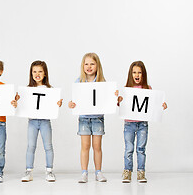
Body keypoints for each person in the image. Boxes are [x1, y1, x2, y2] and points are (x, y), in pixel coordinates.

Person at [68, 53, 117, 183]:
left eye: (92, 64)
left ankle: (98, 172)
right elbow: (75, 100)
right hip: (84, 118)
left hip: (97, 119)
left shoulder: (102, 82)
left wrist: (114, 96)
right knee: (85, 146)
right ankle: (84, 172)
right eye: (86, 64)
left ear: (97, 66)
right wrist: (71, 104)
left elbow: (107, 100)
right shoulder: (79, 81)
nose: (89, 67)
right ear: (82, 66)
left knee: (97, 146)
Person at [117, 61, 167, 183]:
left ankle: (141, 172)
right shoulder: (126, 89)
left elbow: (153, 105)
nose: (137, 75)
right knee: (129, 148)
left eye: (139, 72)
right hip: (129, 124)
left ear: (143, 74)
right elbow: (121, 104)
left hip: (142, 124)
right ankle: (127, 172)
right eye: (134, 72)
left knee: (141, 148)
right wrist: (118, 100)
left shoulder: (148, 89)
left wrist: (161, 105)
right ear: (130, 74)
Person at [20, 60, 63, 182]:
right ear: (31, 73)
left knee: (48, 146)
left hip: (45, 121)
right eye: (34, 71)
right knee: (31, 146)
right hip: (32, 122)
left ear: (45, 74)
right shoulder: (28, 89)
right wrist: (18, 100)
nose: (37, 74)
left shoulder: (50, 89)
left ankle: (49, 171)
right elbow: (23, 105)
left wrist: (58, 103)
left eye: (40, 71)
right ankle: (28, 171)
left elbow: (53, 104)